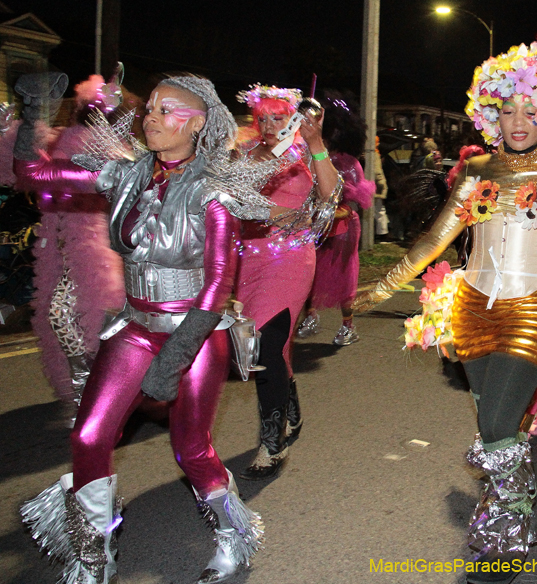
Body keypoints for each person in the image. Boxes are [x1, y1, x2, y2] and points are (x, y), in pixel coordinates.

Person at [353, 39, 537, 584]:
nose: (517, 120)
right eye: (506, 109)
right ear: (491, 113)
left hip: (534, 309)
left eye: (529, 110)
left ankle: (508, 537)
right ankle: (505, 512)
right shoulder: (479, 169)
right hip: (470, 309)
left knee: (495, 423)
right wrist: (382, 285)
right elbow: (437, 239)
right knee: (497, 424)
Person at [17, 73, 268, 584]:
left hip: (194, 335)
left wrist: (174, 359)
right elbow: (32, 174)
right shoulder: (126, 175)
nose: (152, 117)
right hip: (133, 326)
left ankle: (231, 536)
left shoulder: (214, 192)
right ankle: (93, 556)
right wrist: (33, 110)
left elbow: (217, 286)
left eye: (168, 110)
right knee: (89, 437)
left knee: (191, 448)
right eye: (150, 108)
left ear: (197, 124)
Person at [233, 83, 342, 479]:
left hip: (292, 257)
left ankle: (271, 443)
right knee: (257, 345)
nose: (268, 124)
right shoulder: (245, 153)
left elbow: (330, 196)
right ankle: (288, 393)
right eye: (261, 118)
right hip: (249, 259)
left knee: (266, 342)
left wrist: (316, 144)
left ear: (294, 117)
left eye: (278, 117)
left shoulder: (303, 150)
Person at [12, 72, 127, 415]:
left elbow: (97, 181)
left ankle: (89, 392)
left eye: (97, 107)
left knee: (64, 315)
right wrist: (28, 118)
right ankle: (94, 388)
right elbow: (22, 168)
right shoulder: (61, 138)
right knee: (67, 323)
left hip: (90, 247)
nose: (90, 111)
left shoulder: (110, 146)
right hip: (55, 248)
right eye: (86, 106)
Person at [297, 95, 375, 346]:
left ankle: (348, 326)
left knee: (344, 275)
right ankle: (310, 317)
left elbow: (356, 203)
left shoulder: (350, 164)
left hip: (344, 227)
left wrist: (332, 212)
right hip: (314, 225)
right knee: (310, 271)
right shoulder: (309, 157)